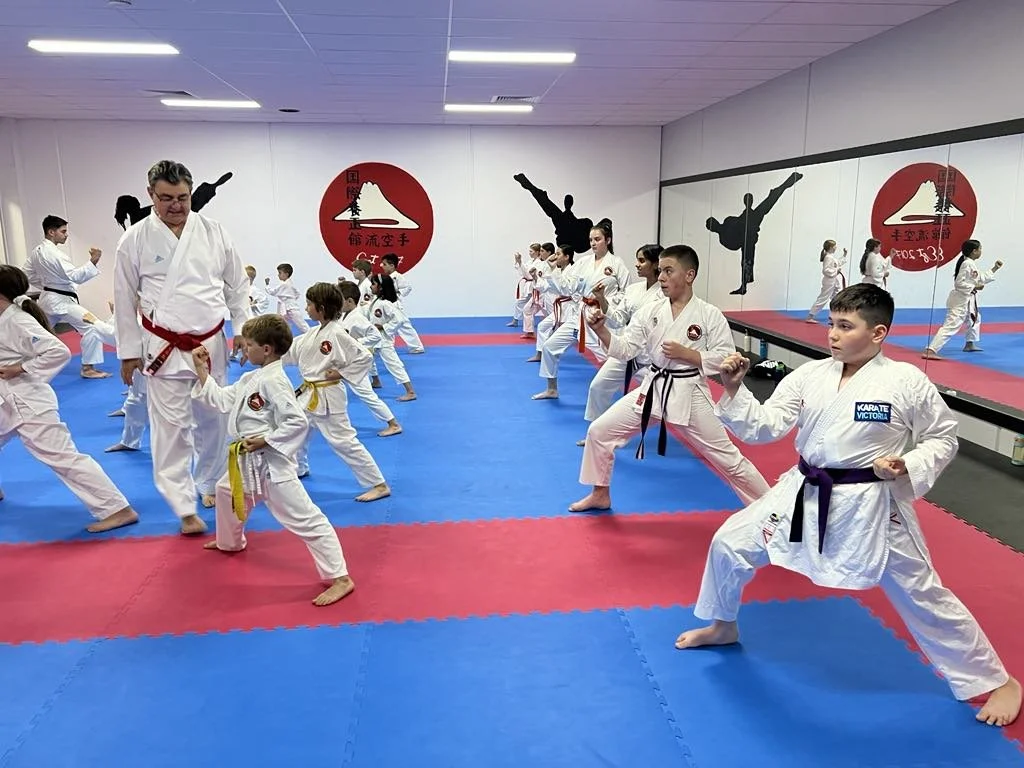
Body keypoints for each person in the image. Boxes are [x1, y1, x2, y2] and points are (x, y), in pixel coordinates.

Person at [676, 283, 1020, 728]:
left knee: (921, 591)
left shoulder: (905, 380)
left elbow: (943, 437)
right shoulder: (811, 375)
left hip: (872, 501)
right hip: (804, 489)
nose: (832, 335)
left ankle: (995, 680)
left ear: (878, 333)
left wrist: (907, 462)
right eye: (831, 325)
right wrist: (735, 389)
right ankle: (723, 624)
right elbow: (763, 427)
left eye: (845, 326)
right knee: (730, 542)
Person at [570, 245, 770, 513]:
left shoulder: (709, 314)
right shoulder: (650, 311)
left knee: (730, 460)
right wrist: (602, 331)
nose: (661, 277)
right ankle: (600, 493)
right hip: (653, 387)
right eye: (660, 270)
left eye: (668, 271)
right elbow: (626, 349)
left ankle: (772, 510)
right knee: (599, 431)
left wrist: (689, 355)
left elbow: (726, 358)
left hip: (690, 392)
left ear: (689, 275)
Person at [113, 159, 251, 535]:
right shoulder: (135, 238)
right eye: (166, 198)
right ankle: (183, 505)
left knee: (215, 420)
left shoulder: (213, 231)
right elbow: (124, 299)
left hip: (210, 343)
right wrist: (128, 351)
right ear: (150, 196)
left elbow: (237, 285)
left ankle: (209, 483)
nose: (176, 205)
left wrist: (243, 328)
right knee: (171, 428)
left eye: (183, 197)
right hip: (163, 347)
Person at [192, 315, 354, 606]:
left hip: (270, 464)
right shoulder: (250, 378)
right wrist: (202, 371)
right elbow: (222, 400)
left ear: (266, 349)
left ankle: (341, 577)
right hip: (244, 459)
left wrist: (267, 439)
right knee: (226, 490)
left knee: (307, 519)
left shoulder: (275, 382)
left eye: (249, 345)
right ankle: (230, 542)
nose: (244, 349)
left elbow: (296, 422)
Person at [0, 265, 138, 533]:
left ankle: (118, 509)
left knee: (63, 457)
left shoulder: (17, 320)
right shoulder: (5, 317)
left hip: (28, 402)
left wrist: (21, 368)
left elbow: (58, 351)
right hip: (9, 399)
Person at [285, 283, 391, 501]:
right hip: (308, 394)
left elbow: (364, 357)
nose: (306, 308)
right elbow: (291, 353)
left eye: (309, 304)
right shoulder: (313, 333)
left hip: (328, 395)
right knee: (297, 430)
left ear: (321, 308)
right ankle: (299, 467)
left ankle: (378, 484)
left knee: (343, 441)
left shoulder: (336, 333)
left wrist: (342, 373)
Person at [578, 243, 665, 444]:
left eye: (642, 260)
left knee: (663, 401)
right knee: (598, 387)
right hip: (627, 349)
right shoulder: (634, 290)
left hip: (652, 357)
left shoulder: (664, 294)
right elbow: (617, 318)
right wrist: (601, 298)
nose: (637, 265)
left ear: (655, 264)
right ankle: (597, 433)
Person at [23, 215, 110, 378]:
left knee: (39, 332)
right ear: (51, 232)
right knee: (92, 327)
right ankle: (88, 368)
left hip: (47, 299)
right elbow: (75, 276)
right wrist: (93, 261)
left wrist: (47, 285)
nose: (66, 235)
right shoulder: (55, 254)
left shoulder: (37, 252)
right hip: (61, 302)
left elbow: (26, 274)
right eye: (63, 231)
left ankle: (23, 364)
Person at [923, 239, 1004, 359]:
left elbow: (979, 278)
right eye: (980, 249)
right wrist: (974, 286)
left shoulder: (970, 263)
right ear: (974, 251)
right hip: (960, 300)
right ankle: (931, 350)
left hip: (967, 299)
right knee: (951, 325)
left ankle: (969, 344)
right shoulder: (967, 264)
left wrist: (994, 268)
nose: (981, 251)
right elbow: (958, 283)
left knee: (974, 319)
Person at [805, 240, 847, 322]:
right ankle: (810, 316)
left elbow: (837, 263)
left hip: (834, 280)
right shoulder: (828, 257)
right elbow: (826, 270)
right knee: (823, 298)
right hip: (829, 280)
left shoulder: (831, 257)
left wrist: (844, 255)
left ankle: (835, 315)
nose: (836, 247)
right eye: (835, 246)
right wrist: (836, 271)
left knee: (837, 297)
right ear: (831, 247)